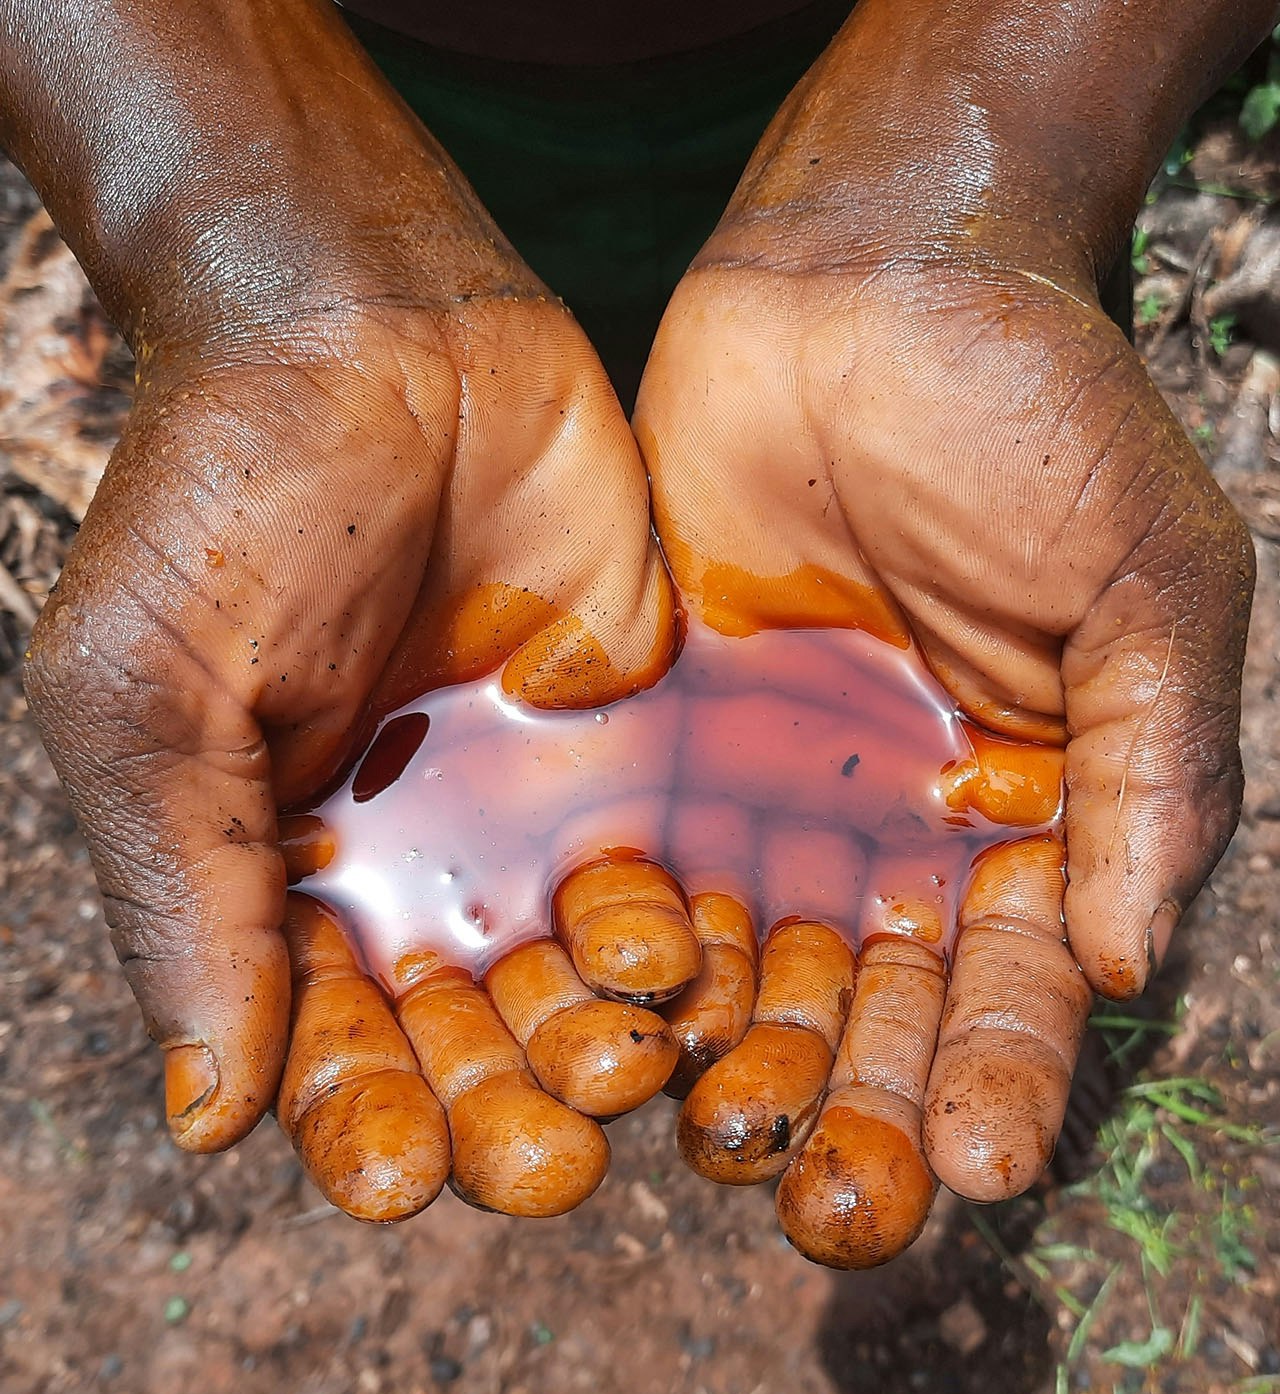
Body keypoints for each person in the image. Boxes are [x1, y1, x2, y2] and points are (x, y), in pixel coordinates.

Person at [1, 0, 1268, 1224]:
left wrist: (974, 163)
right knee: (507, 443)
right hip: (299, 61)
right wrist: (248, 233)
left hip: (1004, 51)